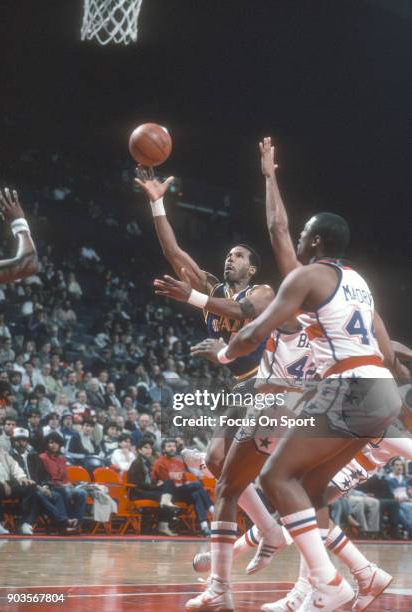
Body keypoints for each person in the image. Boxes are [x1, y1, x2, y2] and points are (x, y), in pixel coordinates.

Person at [185, 141, 402, 610]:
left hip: (321, 394)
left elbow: (275, 240)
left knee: (265, 476)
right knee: (308, 487)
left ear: (316, 243)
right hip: (378, 394)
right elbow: (388, 352)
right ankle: (357, 575)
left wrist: (225, 354)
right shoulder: (358, 284)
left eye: (306, 235)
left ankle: (319, 581)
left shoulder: (302, 282)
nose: (297, 240)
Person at [137, 169, 283, 545]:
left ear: (251, 268)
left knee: (263, 469)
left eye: (237, 257)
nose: (229, 260)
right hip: (241, 388)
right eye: (227, 256)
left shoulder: (264, 291)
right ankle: (268, 529)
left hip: (272, 385)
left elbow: (240, 313)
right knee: (217, 462)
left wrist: (191, 297)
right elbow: (173, 252)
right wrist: (157, 202)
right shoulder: (211, 289)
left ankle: (277, 525)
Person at [9, 428, 77, 534]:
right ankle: (63, 523)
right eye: (18, 440)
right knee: (38, 495)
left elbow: (44, 474)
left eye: (24, 440)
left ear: (27, 442)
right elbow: (13, 478)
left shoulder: (34, 456)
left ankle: (60, 527)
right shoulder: (10, 456)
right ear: (14, 441)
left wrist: (45, 486)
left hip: (37, 488)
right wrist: (38, 487)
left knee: (56, 495)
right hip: (20, 489)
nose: (21, 443)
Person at [152, 439, 213, 536]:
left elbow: (183, 478)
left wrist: (184, 482)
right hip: (168, 493)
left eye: (173, 446)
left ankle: (204, 527)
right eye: (169, 446)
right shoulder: (159, 462)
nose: (172, 448)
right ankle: (211, 508)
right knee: (197, 485)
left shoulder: (179, 461)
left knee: (196, 494)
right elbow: (165, 479)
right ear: (163, 449)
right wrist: (179, 481)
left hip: (181, 491)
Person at [128, 438, 179, 536]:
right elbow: (139, 484)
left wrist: (158, 482)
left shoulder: (151, 462)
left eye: (150, 448)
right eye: (145, 448)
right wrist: (155, 486)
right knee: (165, 496)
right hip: (139, 492)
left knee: (169, 483)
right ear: (139, 450)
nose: (148, 450)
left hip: (149, 489)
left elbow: (154, 478)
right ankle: (163, 525)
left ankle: (164, 523)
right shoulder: (136, 463)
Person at [39, 433, 87, 528]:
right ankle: (66, 522)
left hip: (63, 485)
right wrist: (62, 485)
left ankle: (77, 523)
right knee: (66, 491)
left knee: (82, 492)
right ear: (46, 444)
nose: (54, 445)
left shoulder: (62, 459)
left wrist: (68, 484)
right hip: (51, 486)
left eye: (56, 443)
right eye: (51, 443)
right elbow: (43, 477)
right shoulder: (42, 457)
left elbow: (65, 477)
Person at [0, 445, 36, 534]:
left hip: (8, 484)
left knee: (30, 486)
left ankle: (23, 523)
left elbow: (14, 466)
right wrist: (2, 482)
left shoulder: (2, 452)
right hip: (1, 484)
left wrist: (22, 477)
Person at [385, 458, 412, 537]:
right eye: (397, 465)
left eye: (401, 465)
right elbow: (390, 495)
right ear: (392, 467)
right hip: (395, 503)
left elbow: (408, 492)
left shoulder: (404, 479)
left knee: (407, 509)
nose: (399, 467)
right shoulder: (388, 479)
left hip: (406, 502)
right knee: (404, 511)